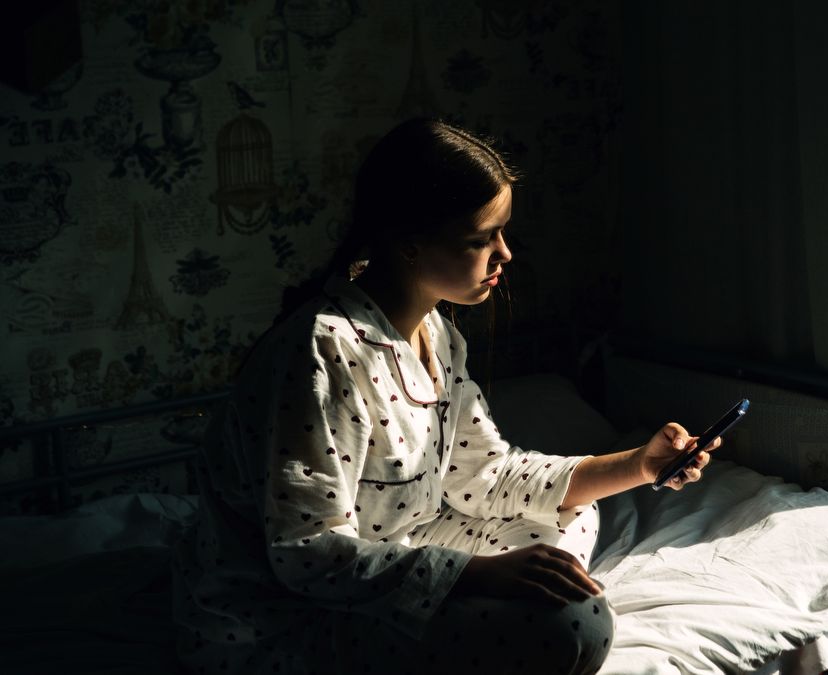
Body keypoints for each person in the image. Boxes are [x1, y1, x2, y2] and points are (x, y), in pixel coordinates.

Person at [171, 118, 718, 675]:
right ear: (410, 242)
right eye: (482, 238)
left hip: (398, 554)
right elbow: (306, 554)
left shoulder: (434, 334)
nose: (504, 254)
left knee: (572, 516)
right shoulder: (322, 352)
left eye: (503, 233)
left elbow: (486, 477)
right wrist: (474, 575)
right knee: (576, 624)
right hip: (289, 614)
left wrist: (641, 465)